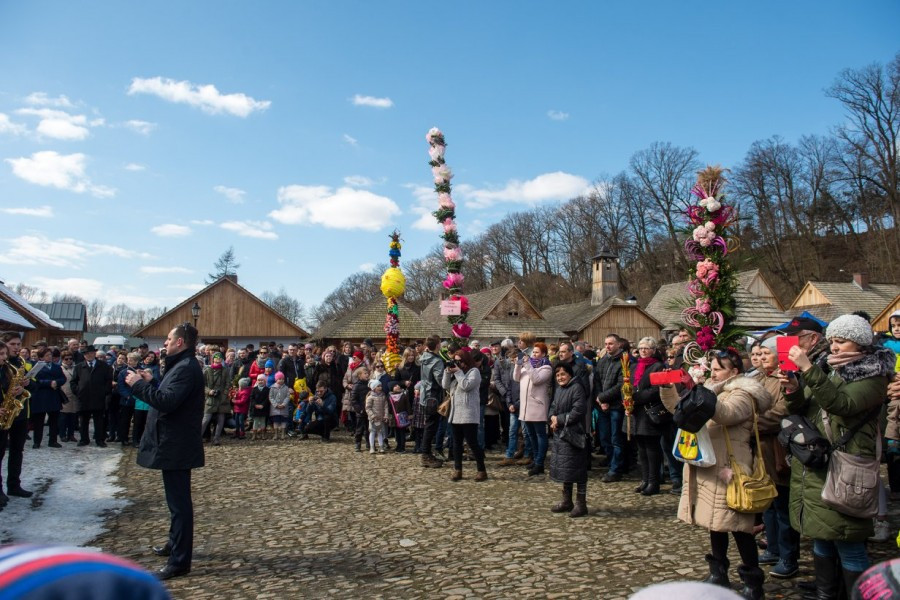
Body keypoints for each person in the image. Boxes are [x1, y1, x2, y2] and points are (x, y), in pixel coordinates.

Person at [779, 314, 894, 597]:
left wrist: (807, 369)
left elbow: (843, 404)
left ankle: (857, 593)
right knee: (822, 537)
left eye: (841, 342)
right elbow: (806, 408)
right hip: (820, 461)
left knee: (848, 542)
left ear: (860, 343)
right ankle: (827, 593)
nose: (834, 347)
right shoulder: (827, 367)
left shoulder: (873, 374)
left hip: (847, 463)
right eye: (832, 341)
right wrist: (793, 388)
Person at [660, 347, 773, 599]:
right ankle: (718, 573)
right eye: (712, 367)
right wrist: (668, 386)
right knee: (715, 523)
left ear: (734, 371)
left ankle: (752, 581)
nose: (713, 372)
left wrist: (699, 389)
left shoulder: (744, 392)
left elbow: (725, 414)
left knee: (739, 527)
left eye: (719, 368)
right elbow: (678, 410)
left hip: (731, 468)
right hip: (710, 464)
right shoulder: (712, 388)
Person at [125, 323, 205, 581]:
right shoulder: (180, 365)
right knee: (175, 503)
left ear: (180, 342)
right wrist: (153, 381)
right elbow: (170, 393)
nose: (165, 343)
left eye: (169, 339)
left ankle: (180, 561)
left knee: (180, 505)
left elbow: (168, 402)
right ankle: (175, 543)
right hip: (173, 442)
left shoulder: (186, 367)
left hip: (177, 444)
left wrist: (138, 385)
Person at [754, 337, 800, 579]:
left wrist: (750, 424)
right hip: (760, 448)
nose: (761, 358)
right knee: (768, 504)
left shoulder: (784, 378)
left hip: (776, 448)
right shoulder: (758, 378)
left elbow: (782, 411)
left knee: (783, 506)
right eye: (759, 354)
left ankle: (788, 556)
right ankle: (772, 547)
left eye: (766, 353)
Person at [548, 362, 590, 517]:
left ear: (570, 375)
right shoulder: (559, 389)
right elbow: (553, 406)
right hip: (561, 433)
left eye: (563, 374)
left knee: (577, 469)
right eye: (558, 375)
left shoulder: (577, 388)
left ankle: (581, 504)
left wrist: (558, 419)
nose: (560, 377)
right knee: (566, 469)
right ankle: (567, 501)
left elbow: (578, 410)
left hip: (574, 434)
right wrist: (552, 417)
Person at [626, 337, 667, 496]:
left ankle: (654, 481)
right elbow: (628, 384)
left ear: (653, 350)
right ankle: (645, 479)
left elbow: (656, 390)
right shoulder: (635, 366)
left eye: (647, 348)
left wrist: (635, 397)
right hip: (637, 412)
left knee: (652, 448)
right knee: (641, 448)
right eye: (641, 347)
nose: (643, 350)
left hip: (649, 411)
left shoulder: (658, 366)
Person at [442, 347, 487, 482]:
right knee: (456, 443)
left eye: (459, 361)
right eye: (455, 361)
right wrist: (447, 371)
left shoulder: (474, 372)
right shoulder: (457, 374)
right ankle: (458, 469)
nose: (457, 364)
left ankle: (481, 470)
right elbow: (445, 385)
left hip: (468, 414)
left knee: (472, 443)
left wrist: (458, 372)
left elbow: (466, 386)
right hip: (455, 414)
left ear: (466, 360)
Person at [0, 337, 32, 505]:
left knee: (17, 451)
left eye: (19, 344)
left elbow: (32, 386)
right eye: (12, 344)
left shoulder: (18, 364)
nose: (16, 347)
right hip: (4, 413)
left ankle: (14, 485)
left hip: (17, 413)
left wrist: (24, 386)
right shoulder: (5, 366)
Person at [514, 342, 553, 476]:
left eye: (537, 352)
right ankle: (535, 459)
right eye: (533, 352)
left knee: (540, 435)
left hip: (537, 406)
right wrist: (518, 364)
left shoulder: (546, 367)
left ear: (543, 354)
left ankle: (540, 463)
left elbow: (536, 380)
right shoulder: (527, 365)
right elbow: (516, 378)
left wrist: (527, 364)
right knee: (530, 435)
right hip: (525, 407)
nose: (534, 354)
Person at [593, 334, 626, 481]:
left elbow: (621, 384)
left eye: (611, 344)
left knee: (616, 438)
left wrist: (604, 398)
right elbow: (597, 380)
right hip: (603, 406)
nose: (608, 346)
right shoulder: (603, 361)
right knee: (605, 437)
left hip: (616, 405)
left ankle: (616, 469)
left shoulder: (624, 361)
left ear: (618, 344)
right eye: (606, 344)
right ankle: (613, 461)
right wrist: (600, 399)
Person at [70, 344, 113, 448]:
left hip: (98, 397)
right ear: (84, 355)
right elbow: (73, 382)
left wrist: (104, 392)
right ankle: (84, 439)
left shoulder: (103, 366)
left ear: (95, 354)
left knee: (99, 420)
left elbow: (108, 381)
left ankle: (99, 440)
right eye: (87, 354)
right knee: (83, 420)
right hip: (84, 398)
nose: (89, 355)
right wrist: (78, 391)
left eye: (91, 353)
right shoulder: (79, 367)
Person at [28, 346, 65, 449]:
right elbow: (33, 380)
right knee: (39, 421)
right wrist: (49, 383)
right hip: (40, 396)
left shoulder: (56, 367)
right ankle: (37, 441)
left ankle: (53, 441)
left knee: (54, 420)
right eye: (47, 355)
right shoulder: (35, 367)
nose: (49, 357)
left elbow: (63, 378)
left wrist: (57, 382)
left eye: (50, 355)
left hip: (53, 396)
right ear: (41, 357)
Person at [419, 336, 446, 468]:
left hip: (425, 395)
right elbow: (441, 380)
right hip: (433, 396)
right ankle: (426, 455)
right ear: (437, 345)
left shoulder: (424, 357)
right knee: (431, 426)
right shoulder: (436, 361)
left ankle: (427, 453)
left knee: (429, 426)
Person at [59, 350, 79, 442]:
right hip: (64, 394)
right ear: (62, 359)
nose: (69, 360)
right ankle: (62, 435)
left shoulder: (75, 368)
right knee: (63, 417)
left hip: (74, 395)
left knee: (73, 417)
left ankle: (71, 434)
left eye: (70, 359)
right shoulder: (60, 369)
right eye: (66, 359)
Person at [365, 379, 389, 454]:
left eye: (380, 386)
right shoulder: (370, 397)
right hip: (373, 419)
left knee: (380, 432)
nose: (380, 387)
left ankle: (381, 446)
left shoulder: (383, 396)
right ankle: (372, 447)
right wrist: (372, 416)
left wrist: (386, 415)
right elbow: (368, 408)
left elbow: (386, 407)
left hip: (381, 418)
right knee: (372, 432)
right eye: (378, 386)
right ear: (374, 387)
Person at [268, 372, 292, 440]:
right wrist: (275, 405)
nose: (281, 380)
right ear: (276, 379)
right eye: (279, 379)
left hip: (284, 408)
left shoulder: (286, 388)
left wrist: (284, 404)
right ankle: (276, 434)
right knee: (276, 421)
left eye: (282, 379)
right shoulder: (272, 387)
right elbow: (271, 397)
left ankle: (283, 434)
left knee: (283, 421)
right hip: (275, 409)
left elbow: (288, 397)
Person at [249, 374, 270, 441]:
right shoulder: (254, 389)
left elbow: (267, 398)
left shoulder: (267, 389)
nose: (260, 381)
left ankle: (262, 434)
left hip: (263, 408)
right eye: (259, 380)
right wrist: (255, 405)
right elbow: (252, 398)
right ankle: (254, 435)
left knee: (263, 422)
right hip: (255, 409)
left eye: (262, 380)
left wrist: (263, 405)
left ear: (265, 381)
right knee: (255, 422)